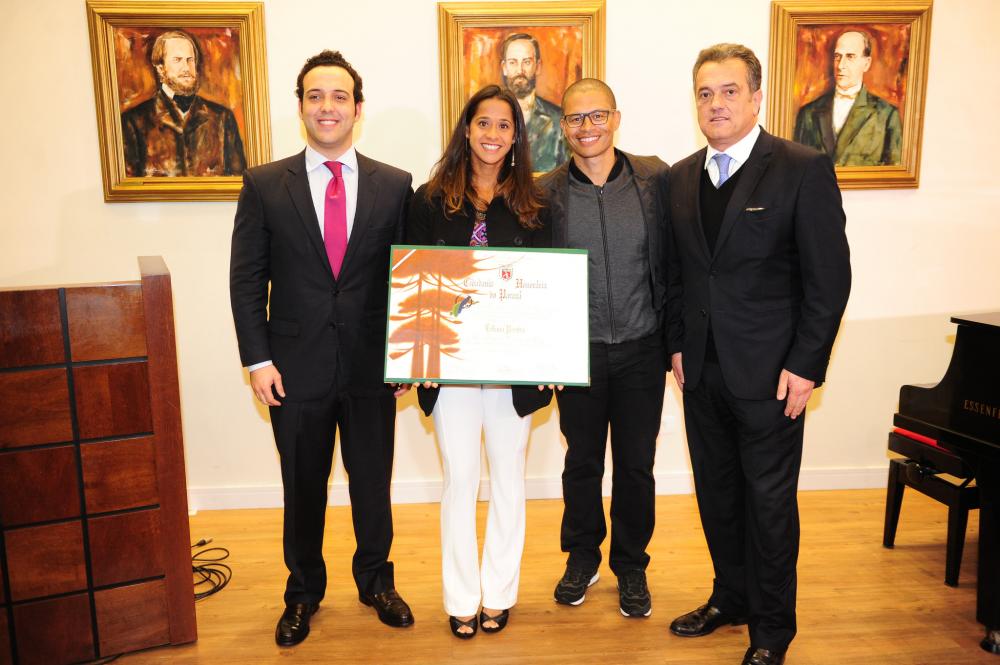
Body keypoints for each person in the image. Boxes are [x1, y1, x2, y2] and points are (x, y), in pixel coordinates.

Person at [666, 44, 851, 665]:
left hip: (773, 377)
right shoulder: (681, 177)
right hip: (701, 372)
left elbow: (830, 280)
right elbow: (678, 274)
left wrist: (806, 365)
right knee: (717, 497)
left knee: (769, 507)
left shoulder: (801, 168)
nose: (715, 104)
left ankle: (772, 631)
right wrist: (677, 345)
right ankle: (730, 598)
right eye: (705, 93)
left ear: (756, 97)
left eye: (729, 91)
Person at [229, 49, 415, 647]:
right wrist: (258, 360)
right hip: (293, 369)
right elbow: (246, 278)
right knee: (303, 487)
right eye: (315, 96)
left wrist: (406, 355)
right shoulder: (264, 184)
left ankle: (376, 582)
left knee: (372, 484)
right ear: (301, 107)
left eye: (339, 97)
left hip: (370, 368)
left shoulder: (395, 185)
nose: (327, 107)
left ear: (358, 109)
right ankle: (303, 593)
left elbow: (406, 278)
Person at [406, 84, 552, 639]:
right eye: (483, 123)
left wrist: (551, 357)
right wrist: (416, 356)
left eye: (504, 125)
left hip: (515, 369)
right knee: (461, 479)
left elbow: (548, 288)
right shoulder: (428, 200)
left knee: (509, 479)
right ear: (466, 130)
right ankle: (462, 597)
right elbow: (414, 282)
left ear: (516, 137)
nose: (493, 134)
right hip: (451, 367)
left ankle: (500, 593)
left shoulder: (537, 203)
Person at [537, 78, 671, 619]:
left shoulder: (654, 179)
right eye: (575, 118)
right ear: (563, 127)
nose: (587, 127)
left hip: (643, 347)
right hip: (579, 353)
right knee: (582, 462)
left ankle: (632, 564)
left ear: (615, 118)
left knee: (637, 465)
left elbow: (677, 262)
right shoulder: (544, 193)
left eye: (597, 115)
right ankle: (582, 556)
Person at [122, 29, 246, 177]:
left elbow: (239, 180)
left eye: (190, 60)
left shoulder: (222, 118)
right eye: (177, 60)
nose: (186, 68)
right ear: (160, 68)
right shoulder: (133, 121)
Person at [793, 29, 902, 166]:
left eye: (850, 57)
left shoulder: (887, 115)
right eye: (837, 56)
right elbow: (796, 167)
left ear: (866, 63)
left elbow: (894, 171)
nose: (840, 65)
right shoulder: (808, 113)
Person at [500, 33, 568, 173]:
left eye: (526, 62)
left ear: (538, 66)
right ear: (504, 67)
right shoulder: (491, 119)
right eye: (513, 62)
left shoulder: (558, 119)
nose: (520, 70)